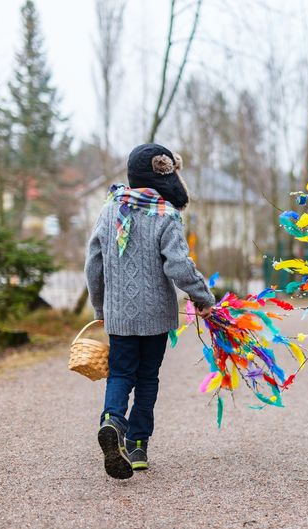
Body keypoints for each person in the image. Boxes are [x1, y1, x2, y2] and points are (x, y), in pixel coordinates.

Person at [85, 143, 216, 479]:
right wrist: (203, 297)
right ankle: (138, 445)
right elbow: (179, 266)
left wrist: (100, 306)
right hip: (155, 317)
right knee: (147, 378)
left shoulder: (110, 210)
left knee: (120, 373)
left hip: (119, 315)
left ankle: (112, 421)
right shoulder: (166, 216)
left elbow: (93, 263)